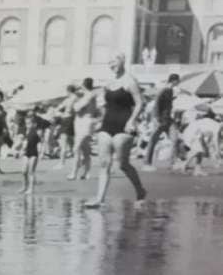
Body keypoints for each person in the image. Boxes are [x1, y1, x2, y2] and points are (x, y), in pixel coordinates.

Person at [85, 53, 147, 209]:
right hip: (107, 125)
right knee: (104, 163)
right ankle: (100, 199)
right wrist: (98, 121)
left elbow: (140, 103)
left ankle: (140, 190)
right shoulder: (109, 82)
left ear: (122, 61)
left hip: (124, 125)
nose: (112, 64)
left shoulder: (130, 81)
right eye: (109, 62)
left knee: (122, 164)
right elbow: (106, 105)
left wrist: (132, 121)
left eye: (114, 61)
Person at [143, 73, 181, 171]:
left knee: (175, 139)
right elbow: (157, 103)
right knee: (153, 140)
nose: (179, 82)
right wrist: (155, 118)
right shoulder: (164, 90)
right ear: (174, 81)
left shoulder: (171, 91)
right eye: (178, 80)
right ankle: (147, 163)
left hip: (168, 119)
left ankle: (172, 163)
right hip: (160, 119)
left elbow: (166, 104)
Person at [68, 78, 97, 181]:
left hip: (85, 122)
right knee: (85, 149)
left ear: (84, 85)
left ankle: (74, 172)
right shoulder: (86, 95)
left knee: (76, 148)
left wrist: (74, 102)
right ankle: (86, 172)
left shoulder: (89, 95)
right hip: (80, 122)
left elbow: (76, 108)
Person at [180, 106, 221, 176]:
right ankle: (190, 168)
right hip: (192, 133)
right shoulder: (217, 128)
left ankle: (190, 168)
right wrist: (217, 152)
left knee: (198, 151)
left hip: (191, 132)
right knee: (198, 151)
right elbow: (215, 141)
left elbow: (210, 139)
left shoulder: (214, 124)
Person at [54, 85, 77, 171]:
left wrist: (60, 114)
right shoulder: (76, 98)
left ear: (68, 91)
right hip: (72, 121)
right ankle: (80, 158)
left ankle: (61, 163)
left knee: (63, 142)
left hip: (66, 120)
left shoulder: (69, 99)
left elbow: (58, 109)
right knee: (71, 142)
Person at [19, 113, 42, 195]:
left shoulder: (36, 133)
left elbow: (39, 143)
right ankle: (24, 186)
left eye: (29, 123)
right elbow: (24, 143)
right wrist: (21, 150)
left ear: (34, 124)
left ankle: (31, 189)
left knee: (31, 172)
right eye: (26, 123)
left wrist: (40, 152)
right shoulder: (26, 132)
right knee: (23, 171)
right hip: (26, 153)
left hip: (33, 154)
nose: (27, 125)